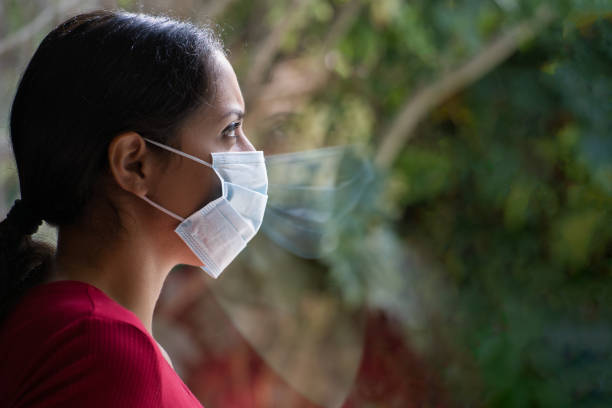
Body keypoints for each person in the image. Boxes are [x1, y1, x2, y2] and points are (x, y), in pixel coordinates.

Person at [0, 9, 267, 408]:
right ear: (133, 163)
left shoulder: (63, 323)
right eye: (229, 130)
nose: (250, 155)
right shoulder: (105, 351)